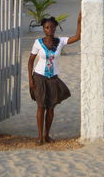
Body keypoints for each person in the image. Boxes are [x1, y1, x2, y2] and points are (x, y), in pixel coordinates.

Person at [28, 12, 81, 145]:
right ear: (43, 28)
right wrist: (30, 80)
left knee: (51, 107)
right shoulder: (38, 43)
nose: (49, 30)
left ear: (55, 28)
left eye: (52, 27)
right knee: (41, 107)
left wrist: (79, 22)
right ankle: (40, 137)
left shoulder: (60, 41)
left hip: (53, 79)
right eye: (47, 27)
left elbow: (77, 37)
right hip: (39, 78)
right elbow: (30, 61)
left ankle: (47, 135)